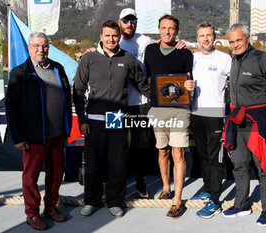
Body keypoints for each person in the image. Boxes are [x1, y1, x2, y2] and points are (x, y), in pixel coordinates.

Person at [73, 20, 150, 218]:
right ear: (101, 37)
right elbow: (78, 90)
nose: (111, 39)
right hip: (94, 118)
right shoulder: (88, 58)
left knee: (117, 162)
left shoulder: (128, 58)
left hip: (117, 117)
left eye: (114, 35)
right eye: (107, 35)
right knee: (94, 164)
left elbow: (143, 85)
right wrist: (82, 119)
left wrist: (169, 97)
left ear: (119, 37)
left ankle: (115, 201)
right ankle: (92, 200)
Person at [118, 8, 187, 199]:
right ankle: (119, 186)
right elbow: (101, 51)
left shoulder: (146, 41)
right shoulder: (116, 40)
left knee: (141, 146)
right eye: (126, 21)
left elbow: (162, 48)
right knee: (118, 145)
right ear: (120, 22)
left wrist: (178, 44)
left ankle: (140, 183)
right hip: (119, 103)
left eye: (133, 21)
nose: (129, 24)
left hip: (143, 102)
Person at [5, 32, 72, 230]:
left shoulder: (58, 69)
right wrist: (18, 137)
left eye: (44, 46)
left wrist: (67, 126)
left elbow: (66, 97)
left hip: (58, 133)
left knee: (56, 172)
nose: (40, 50)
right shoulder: (20, 73)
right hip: (34, 135)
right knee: (31, 176)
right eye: (36, 46)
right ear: (29, 47)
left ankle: (51, 207)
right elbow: (12, 106)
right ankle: (32, 213)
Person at [221, 24, 266, 227]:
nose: (235, 45)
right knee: (239, 164)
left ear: (247, 38)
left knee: (264, 165)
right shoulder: (233, 59)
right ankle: (242, 204)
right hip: (238, 118)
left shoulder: (263, 58)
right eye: (231, 42)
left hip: (260, 119)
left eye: (238, 40)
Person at [144, 14, 195, 218]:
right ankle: (166, 187)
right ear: (158, 29)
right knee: (163, 150)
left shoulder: (185, 53)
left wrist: (191, 87)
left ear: (177, 31)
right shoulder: (150, 50)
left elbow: (189, 80)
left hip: (179, 110)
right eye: (164, 28)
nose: (167, 31)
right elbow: (143, 77)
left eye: (171, 28)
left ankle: (177, 201)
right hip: (157, 109)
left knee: (178, 152)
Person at [189, 21, 232, 218]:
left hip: (216, 114)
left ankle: (214, 201)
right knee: (203, 156)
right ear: (197, 38)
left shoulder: (225, 59)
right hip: (196, 113)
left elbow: (239, 83)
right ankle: (207, 188)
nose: (205, 38)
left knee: (215, 159)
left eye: (209, 34)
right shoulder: (192, 58)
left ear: (214, 36)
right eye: (202, 35)